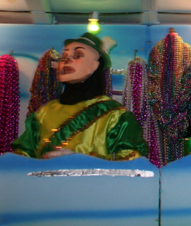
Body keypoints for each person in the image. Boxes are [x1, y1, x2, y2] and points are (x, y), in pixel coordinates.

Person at [12, 33, 148, 160]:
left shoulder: (116, 116)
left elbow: (130, 165)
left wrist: (82, 162)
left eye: (77, 55)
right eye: (63, 57)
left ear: (95, 65)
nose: (66, 61)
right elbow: (22, 159)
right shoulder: (43, 113)